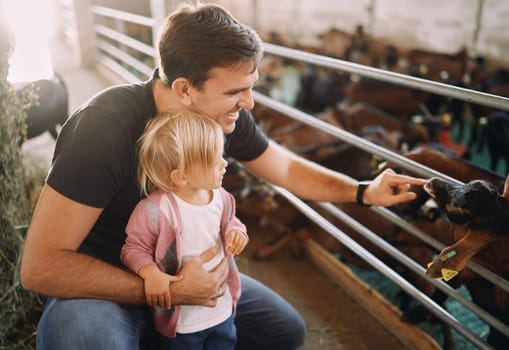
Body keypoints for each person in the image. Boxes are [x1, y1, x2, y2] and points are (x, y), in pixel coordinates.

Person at [20, 2, 427, 350]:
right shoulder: (104, 128)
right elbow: (40, 267)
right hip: (103, 284)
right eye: (235, 91)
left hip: (191, 277)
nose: (247, 103)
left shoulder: (222, 120)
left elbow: (283, 167)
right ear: (184, 89)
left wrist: (362, 192)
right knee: (90, 339)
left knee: (285, 331)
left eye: (250, 87)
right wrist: (165, 291)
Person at [121, 109, 248, 349]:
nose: (224, 164)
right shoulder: (155, 210)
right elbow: (133, 248)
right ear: (181, 177)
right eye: (214, 161)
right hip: (183, 324)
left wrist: (236, 232)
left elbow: (231, 221)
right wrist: (151, 273)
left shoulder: (222, 197)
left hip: (221, 310)